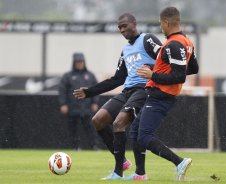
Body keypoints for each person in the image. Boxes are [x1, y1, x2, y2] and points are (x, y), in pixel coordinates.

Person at [73, 13, 162, 179]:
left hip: (144, 89)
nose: (122, 30)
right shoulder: (126, 50)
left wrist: (151, 68)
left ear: (134, 23)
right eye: (119, 27)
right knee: (97, 120)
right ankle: (122, 162)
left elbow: (164, 59)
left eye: (124, 26)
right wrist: (89, 91)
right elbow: (117, 79)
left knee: (119, 123)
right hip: (127, 91)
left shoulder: (147, 39)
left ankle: (117, 173)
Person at [127, 6, 199, 181]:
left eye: (161, 24)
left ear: (166, 22)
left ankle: (179, 162)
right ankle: (140, 174)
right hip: (161, 94)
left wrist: (153, 75)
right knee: (135, 132)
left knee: (144, 136)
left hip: (161, 95)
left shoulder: (173, 44)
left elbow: (179, 76)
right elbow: (193, 68)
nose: (161, 28)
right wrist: (155, 69)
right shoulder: (186, 41)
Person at [59, 52, 100, 150]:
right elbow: (62, 90)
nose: (79, 64)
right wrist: (63, 104)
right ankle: (75, 147)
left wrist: (95, 102)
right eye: (77, 62)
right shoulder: (67, 76)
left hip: (87, 107)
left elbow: (96, 89)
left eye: (81, 61)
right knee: (73, 129)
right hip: (73, 107)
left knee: (91, 128)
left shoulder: (90, 75)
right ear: (74, 63)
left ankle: (94, 146)